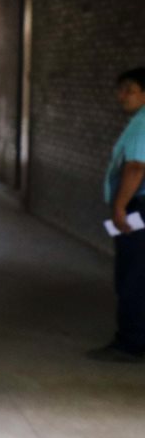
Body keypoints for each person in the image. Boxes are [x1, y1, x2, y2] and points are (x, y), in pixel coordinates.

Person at [87, 66, 145, 363]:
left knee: (132, 275)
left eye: (129, 90)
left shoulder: (143, 122)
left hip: (139, 208)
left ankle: (130, 343)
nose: (122, 96)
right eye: (120, 90)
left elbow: (136, 167)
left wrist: (120, 207)